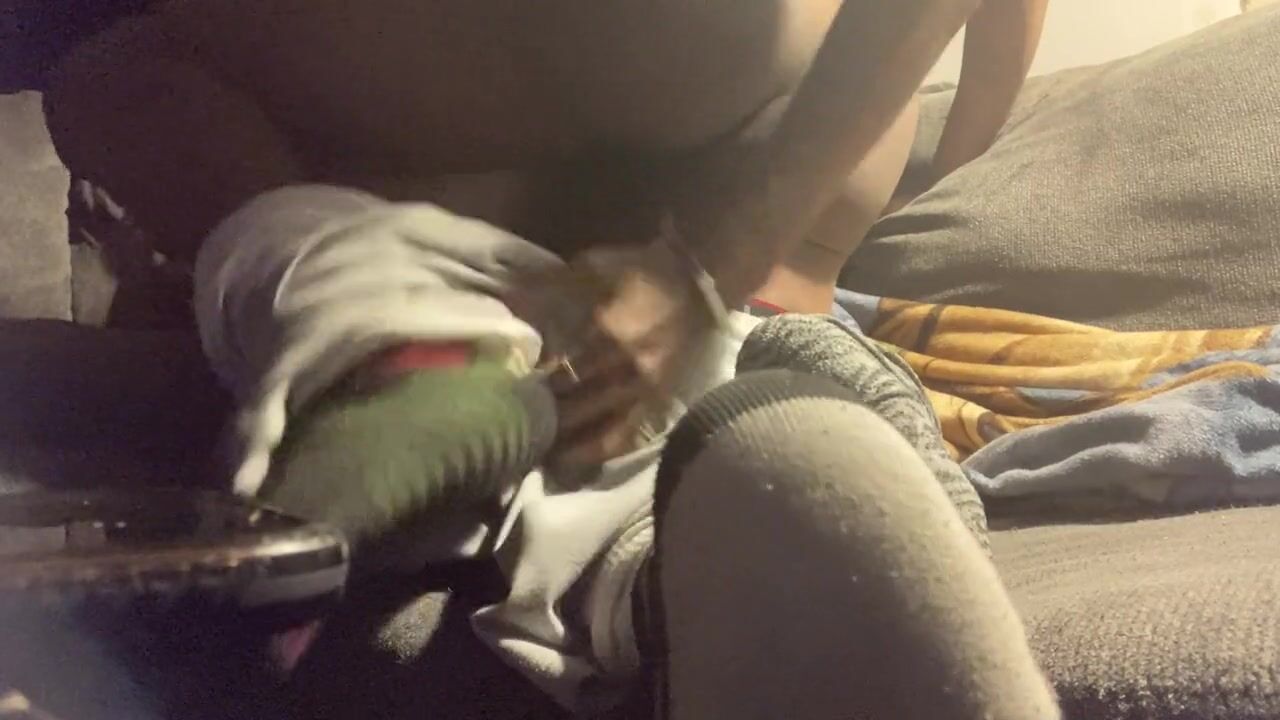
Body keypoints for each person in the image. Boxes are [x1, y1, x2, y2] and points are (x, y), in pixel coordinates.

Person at [42, 0, 1052, 716]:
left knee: (120, 77)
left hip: (482, 184)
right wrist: (745, 253)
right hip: (734, 159)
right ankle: (692, 518)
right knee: (756, 389)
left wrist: (708, 265)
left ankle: (392, 356)